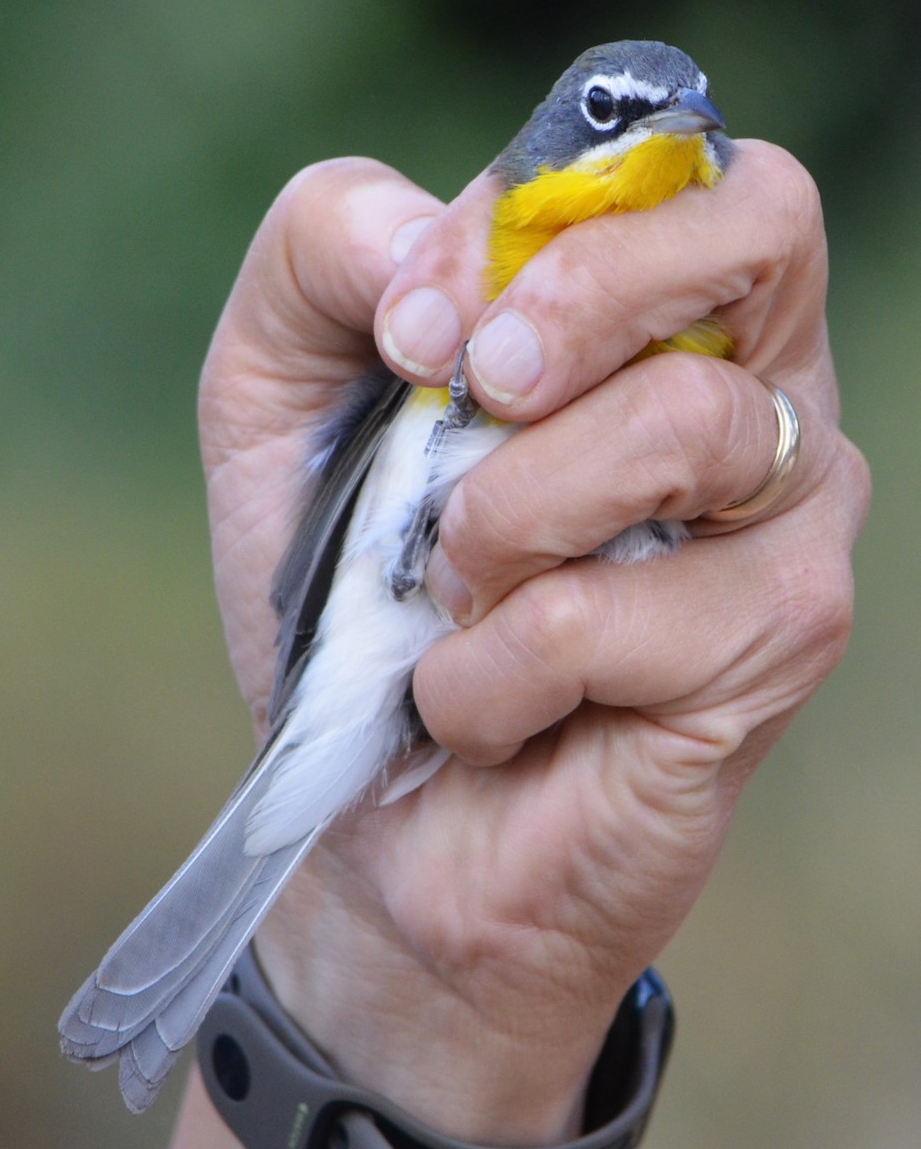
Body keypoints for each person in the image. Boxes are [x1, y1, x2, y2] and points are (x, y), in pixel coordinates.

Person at [170, 145, 869, 1147]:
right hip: (378, 596)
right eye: (610, 117)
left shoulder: (693, 323)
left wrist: (456, 1025)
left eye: (686, 126)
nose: (661, 135)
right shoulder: (488, 251)